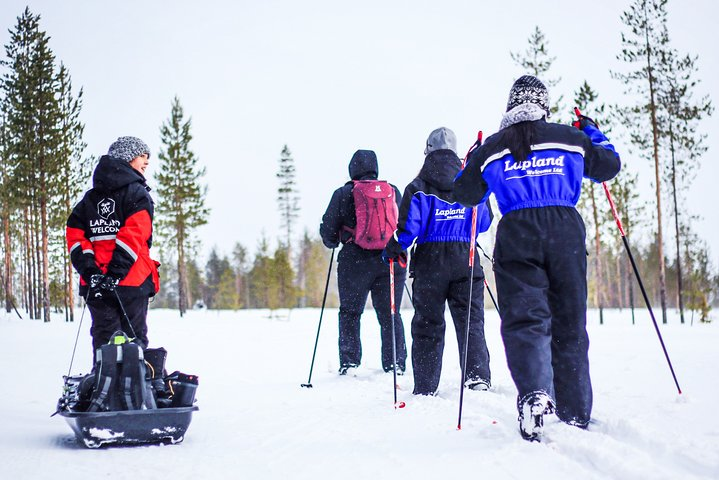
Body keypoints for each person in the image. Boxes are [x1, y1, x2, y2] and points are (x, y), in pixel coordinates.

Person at [454, 75, 621, 441]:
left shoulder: (494, 148)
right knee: (569, 322)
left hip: (517, 233)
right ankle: (575, 411)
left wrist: (473, 155)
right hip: (565, 230)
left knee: (525, 320)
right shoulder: (570, 138)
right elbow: (609, 165)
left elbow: (464, 193)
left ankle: (533, 393)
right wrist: (592, 130)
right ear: (544, 104)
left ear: (511, 105)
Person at [382, 127, 492, 396]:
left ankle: (426, 384)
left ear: (428, 150)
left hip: (430, 261)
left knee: (428, 323)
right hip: (465, 257)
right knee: (471, 320)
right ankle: (477, 376)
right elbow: (484, 222)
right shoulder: (469, 180)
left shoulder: (418, 187)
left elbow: (408, 228)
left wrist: (394, 248)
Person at [66, 136, 160, 357]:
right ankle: (133, 389)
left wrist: (92, 272)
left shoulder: (88, 200)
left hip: (96, 284)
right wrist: (115, 273)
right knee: (133, 342)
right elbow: (135, 235)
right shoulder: (137, 194)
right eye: (142, 156)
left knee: (104, 339)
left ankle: (104, 388)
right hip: (132, 280)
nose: (146, 162)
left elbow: (76, 239)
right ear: (127, 158)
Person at [320, 149, 407, 375]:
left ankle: (350, 363)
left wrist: (335, 240)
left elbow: (328, 232)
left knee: (350, 313)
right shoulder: (392, 192)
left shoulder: (342, 193)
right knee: (390, 313)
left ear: (352, 169)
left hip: (354, 262)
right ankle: (395, 363)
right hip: (389, 261)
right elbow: (403, 223)